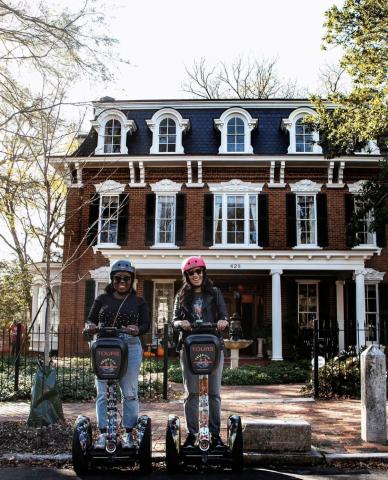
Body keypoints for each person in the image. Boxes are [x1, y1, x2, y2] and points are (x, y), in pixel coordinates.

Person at [85, 259, 150, 449]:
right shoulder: (101, 299)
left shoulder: (138, 301)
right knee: (103, 392)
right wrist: (89, 327)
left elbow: (146, 324)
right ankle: (104, 434)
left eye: (127, 278)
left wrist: (136, 328)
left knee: (129, 392)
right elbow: (90, 320)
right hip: (105, 344)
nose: (122, 281)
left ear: (132, 280)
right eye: (118, 278)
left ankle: (128, 434)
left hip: (130, 345)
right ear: (112, 279)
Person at [172, 256, 229, 450]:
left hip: (213, 346)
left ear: (204, 273)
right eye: (191, 273)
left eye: (199, 271)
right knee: (192, 393)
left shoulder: (214, 292)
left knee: (213, 393)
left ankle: (214, 435)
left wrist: (223, 321)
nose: (195, 275)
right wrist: (181, 323)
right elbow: (174, 320)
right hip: (189, 347)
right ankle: (192, 434)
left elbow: (224, 315)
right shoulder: (181, 295)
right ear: (186, 276)